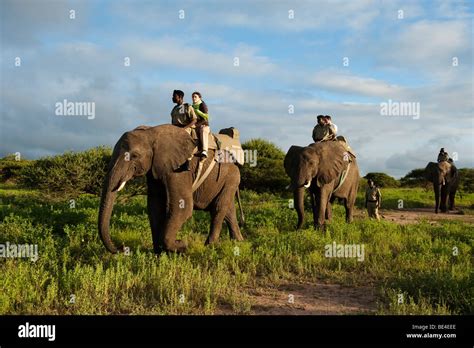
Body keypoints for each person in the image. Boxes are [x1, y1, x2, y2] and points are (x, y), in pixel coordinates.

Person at [170, 90, 197, 170]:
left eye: (174, 96)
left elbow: (194, 120)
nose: (172, 98)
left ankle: (186, 163)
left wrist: (184, 128)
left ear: (180, 97)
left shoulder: (187, 107)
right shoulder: (174, 109)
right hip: (175, 129)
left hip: (185, 128)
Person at [191, 91, 210, 158]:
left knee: (203, 130)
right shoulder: (192, 106)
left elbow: (206, 118)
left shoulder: (202, 105)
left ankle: (205, 150)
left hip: (203, 125)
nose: (193, 98)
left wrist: (196, 125)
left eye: (195, 97)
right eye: (192, 97)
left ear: (199, 98)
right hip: (195, 125)